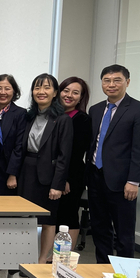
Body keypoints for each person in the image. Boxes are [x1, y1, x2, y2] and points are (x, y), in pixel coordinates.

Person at [87, 64, 140, 263]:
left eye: (117, 80)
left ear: (127, 82)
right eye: (107, 80)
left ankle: (125, 275)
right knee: (99, 229)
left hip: (123, 181)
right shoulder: (96, 109)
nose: (111, 84)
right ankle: (102, 269)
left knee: (124, 233)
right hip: (95, 176)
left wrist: (134, 181)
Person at [18, 74, 72, 265]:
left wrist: (57, 184)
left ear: (55, 92)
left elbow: (64, 156)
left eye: (47, 87)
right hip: (27, 171)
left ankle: (41, 260)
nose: (41, 92)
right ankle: (25, 258)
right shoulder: (28, 116)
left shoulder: (62, 119)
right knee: (26, 218)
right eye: (37, 88)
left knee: (48, 221)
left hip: (49, 175)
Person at [56, 77, 92, 247]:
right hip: (53, 172)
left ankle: (65, 256)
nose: (69, 95)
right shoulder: (53, 114)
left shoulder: (82, 119)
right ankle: (52, 253)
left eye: (75, 92)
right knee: (55, 215)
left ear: (81, 97)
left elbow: (76, 153)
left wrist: (65, 179)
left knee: (68, 215)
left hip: (72, 174)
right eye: (66, 90)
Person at [0, 74, 27, 195]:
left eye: (7, 88)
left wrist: (12, 174)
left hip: (7, 170)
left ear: (14, 91)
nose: (3, 92)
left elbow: (19, 146)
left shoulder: (20, 114)